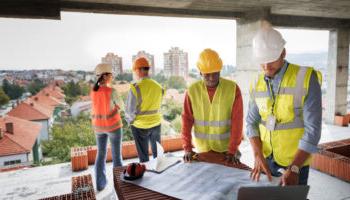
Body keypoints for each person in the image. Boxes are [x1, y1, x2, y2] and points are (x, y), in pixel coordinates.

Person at [246, 24, 322, 186]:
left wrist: (294, 168)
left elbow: (313, 130)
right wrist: (258, 155)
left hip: (295, 163)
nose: (266, 66)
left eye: (271, 59)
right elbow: (251, 122)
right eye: (262, 61)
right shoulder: (256, 82)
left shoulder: (306, 78)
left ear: (283, 53)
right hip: (265, 159)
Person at [182, 48, 243, 164]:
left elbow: (237, 121)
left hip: (227, 151)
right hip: (202, 150)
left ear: (220, 70)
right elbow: (186, 120)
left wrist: (232, 149)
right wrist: (187, 148)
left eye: (215, 73)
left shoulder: (233, 89)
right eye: (207, 75)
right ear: (200, 72)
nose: (211, 78)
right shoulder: (192, 91)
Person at [91, 63, 123, 191]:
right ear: (104, 76)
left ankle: (100, 184)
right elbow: (121, 106)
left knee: (101, 154)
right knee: (116, 156)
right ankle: (120, 186)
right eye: (111, 74)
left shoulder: (93, 91)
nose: (112, 76)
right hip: (113, 127)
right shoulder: (112, 91)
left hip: (98, 128)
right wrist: (116, 109)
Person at [125, 57, 164, 162]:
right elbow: (160, 105)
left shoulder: (135, 87)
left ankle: (147, 174)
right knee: (158, 155)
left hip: (140, 125)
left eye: (135, 71)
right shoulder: (159, 86)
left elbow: (129, 111)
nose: (135, 73)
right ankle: (161, 173)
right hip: (156, 123)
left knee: (144, 157)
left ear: (139, 70)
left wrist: (131, 122)